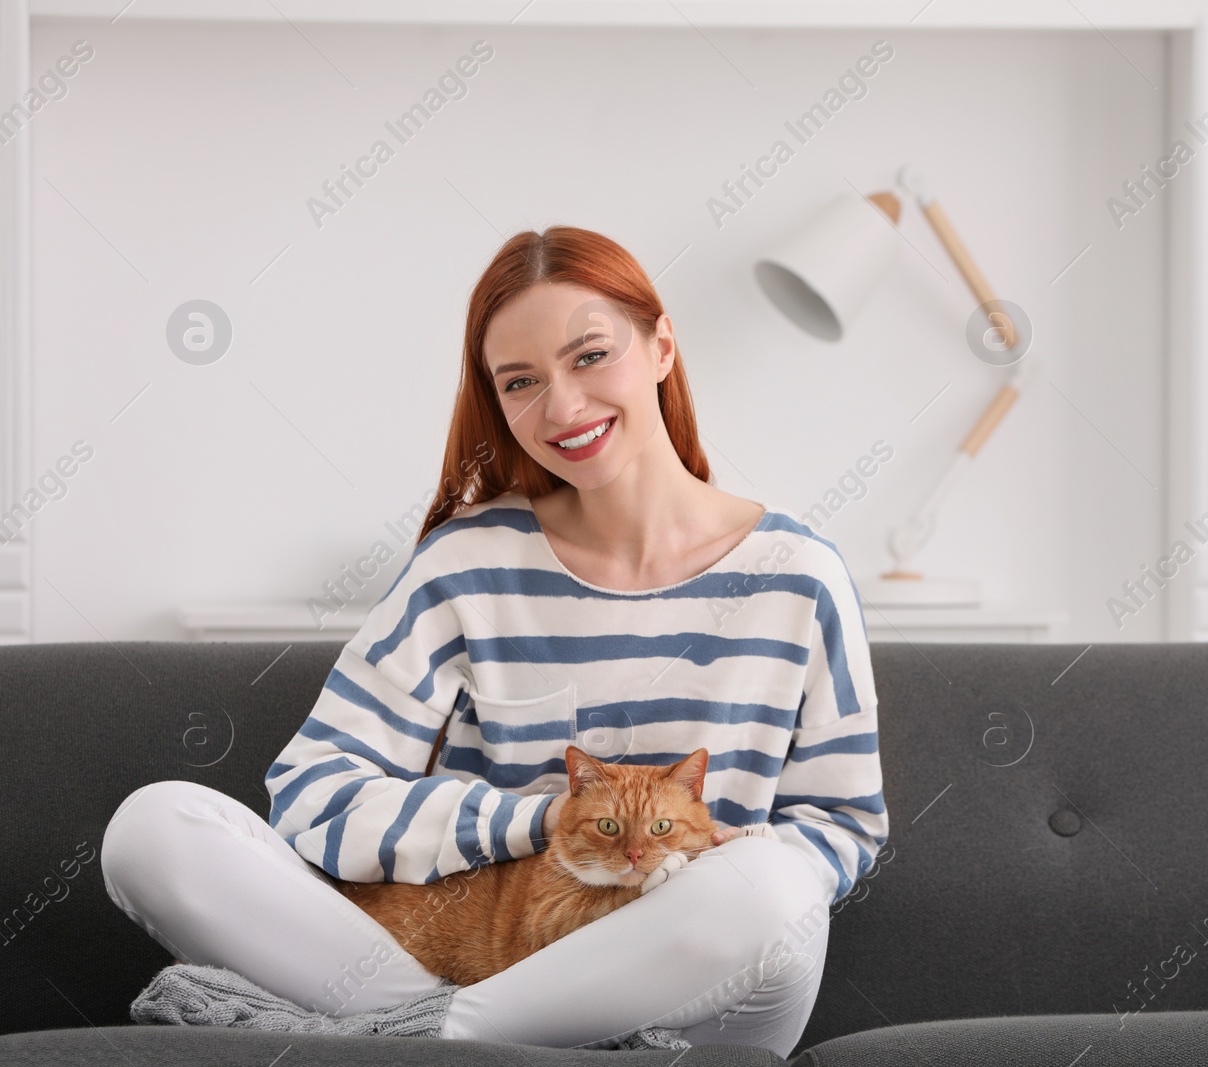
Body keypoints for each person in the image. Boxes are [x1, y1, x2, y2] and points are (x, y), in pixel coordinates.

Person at [100, 226, 890, 1056]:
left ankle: (421, 1044)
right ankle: (475, 1036)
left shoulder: (800, 575)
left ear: (661, 345)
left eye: (589, 356)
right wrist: (541, 818)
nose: (562, 408)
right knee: (153, 829)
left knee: (772, 890)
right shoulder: (470, 561)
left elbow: (842, 823)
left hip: (698, 977)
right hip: (478, 953)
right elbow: (314, 793)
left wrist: (695, 881)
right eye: (521, 381)